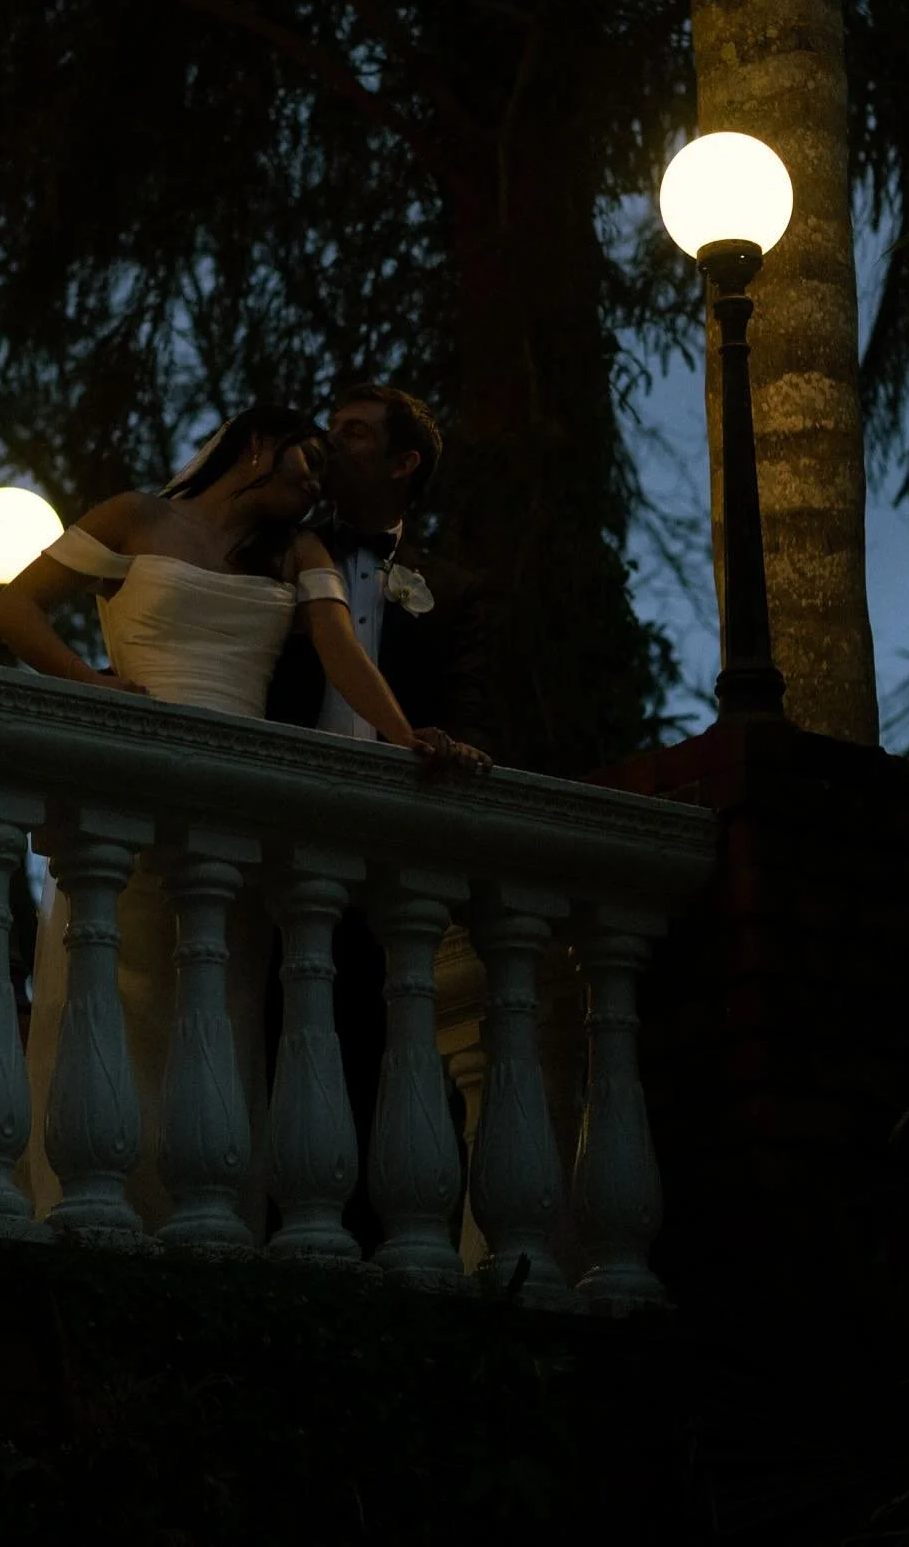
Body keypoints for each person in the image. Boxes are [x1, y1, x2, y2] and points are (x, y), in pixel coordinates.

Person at [0, 405, 486, 1237]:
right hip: (132, 783)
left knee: (218, 1007)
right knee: (113, 991)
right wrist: (87, 681)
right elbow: (14, 611)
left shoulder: (298, 555)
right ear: (258, 443)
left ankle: (202, 1212)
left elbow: (342, 652)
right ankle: (92, 1202)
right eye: (307, 461)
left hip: (235, 805)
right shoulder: (133, 517)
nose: (315, 481)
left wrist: (404, 734)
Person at [265, 382, 494, 1256]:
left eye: (355, 434)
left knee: (387, 1037)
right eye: (330, 429)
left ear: (404, 464)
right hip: (283, 827)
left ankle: (391, 1241)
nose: (332, 444)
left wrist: (456, 748)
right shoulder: (273, 555)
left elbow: (469, 706)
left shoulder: (454, 588)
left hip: (390, 849)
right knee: (273, 1028)